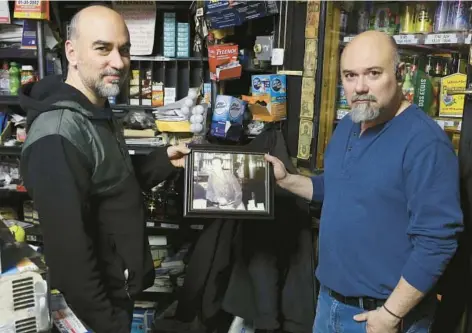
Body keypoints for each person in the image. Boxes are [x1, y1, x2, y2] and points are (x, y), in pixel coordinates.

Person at [265, 30, 463, 333]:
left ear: (399, 74)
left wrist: (390, 315)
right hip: (330, 303)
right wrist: (288, 180)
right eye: (350, 75)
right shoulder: (349, 124)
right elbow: (338, 188)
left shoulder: (425, 143)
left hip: (384, 316)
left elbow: (437, 241)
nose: (359, 87)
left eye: (373, 73)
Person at [18, 5, 190, 332]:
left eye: (123, 50)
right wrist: (109, 326)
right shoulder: (57, 135)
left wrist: (163, 160)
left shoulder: (94, 108)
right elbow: (70, 259)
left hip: (117, 294)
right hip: (97, 310)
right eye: (103, 48)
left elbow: (110, 179)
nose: (118, 62)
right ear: (72, 51)